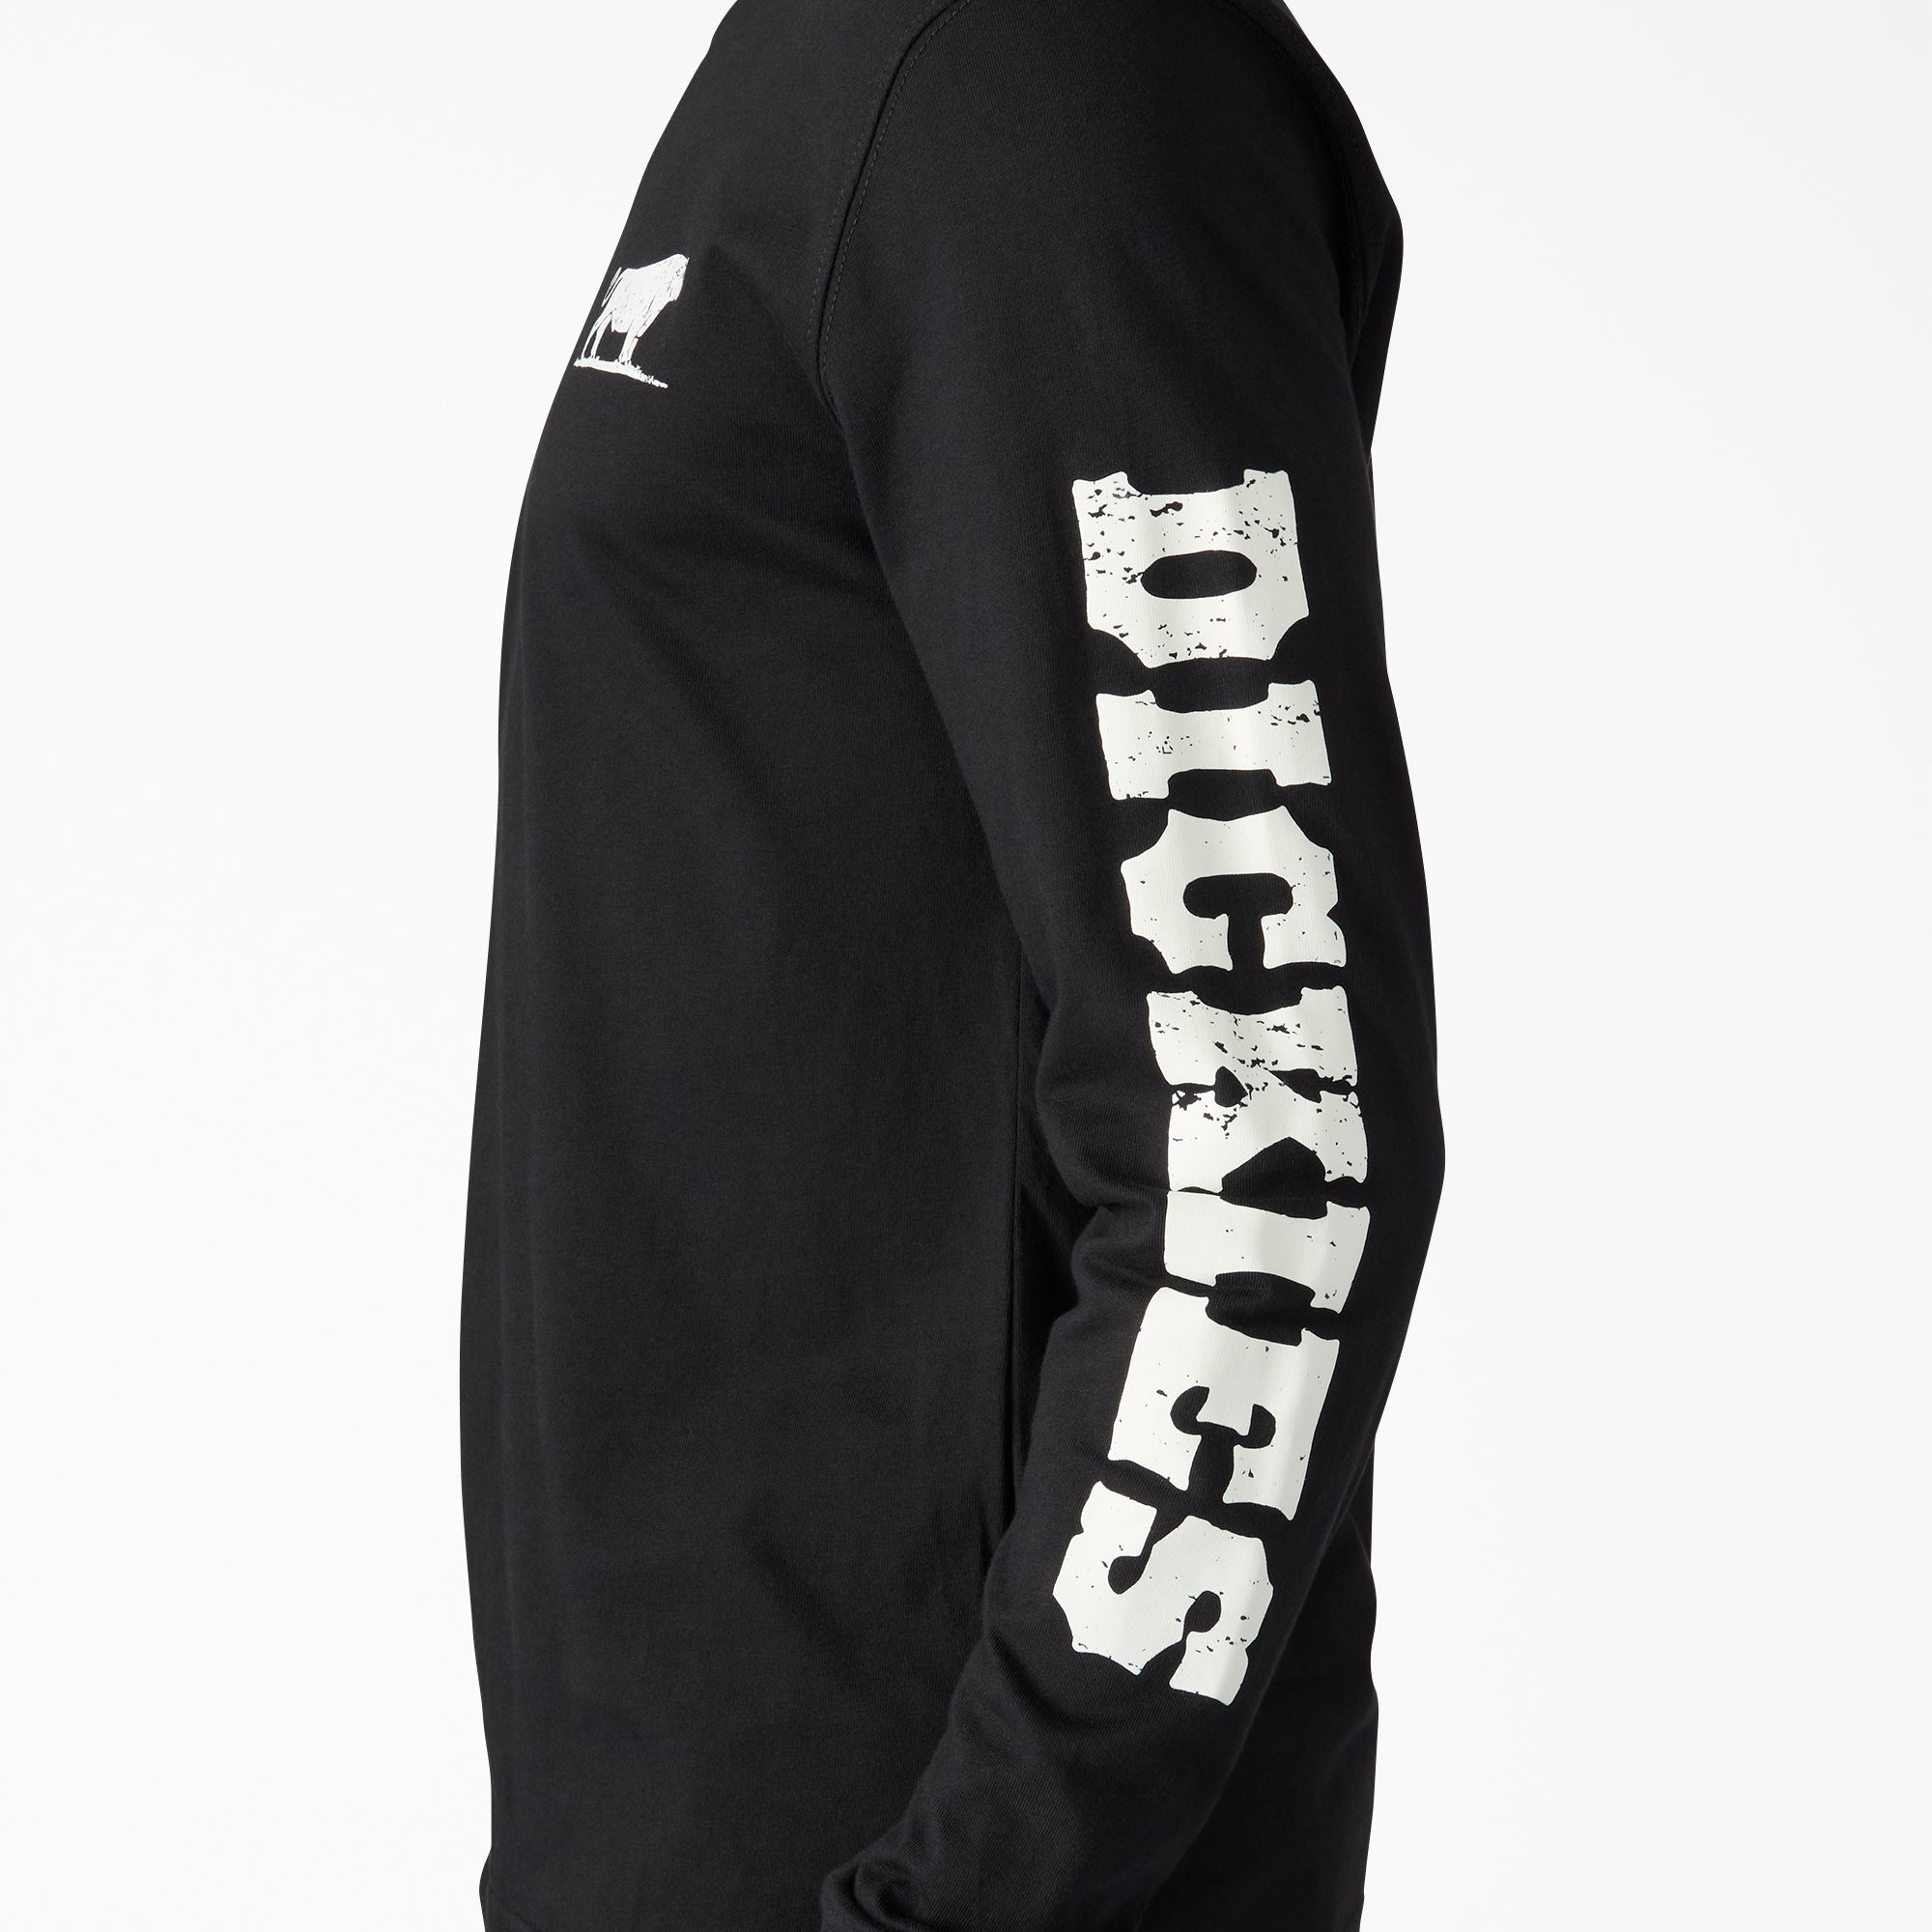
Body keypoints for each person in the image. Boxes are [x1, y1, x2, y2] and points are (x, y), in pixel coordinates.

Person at [460, 0, 1443, 1925]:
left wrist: (952, 1894)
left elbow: (1270, 1145)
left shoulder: (1052, 88)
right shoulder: (846, 67)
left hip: (902, 1858)